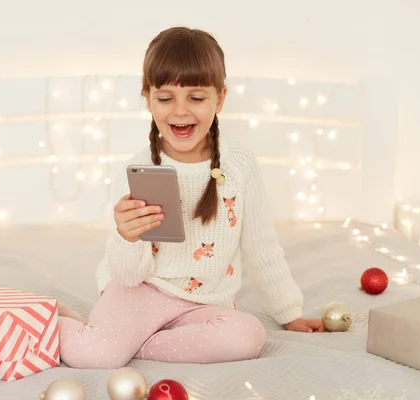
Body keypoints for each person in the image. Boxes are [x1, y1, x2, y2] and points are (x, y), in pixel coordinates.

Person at [58, 26, 324, 369]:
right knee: (92, 356)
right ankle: (59, 322)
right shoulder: (137, 169)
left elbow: (261, 247)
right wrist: (128, 237)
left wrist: (289, 313)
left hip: (205, 304)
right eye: (165, 98)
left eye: (196, 98)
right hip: (140, 293)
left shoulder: (240, 166)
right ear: (148, 98)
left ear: (220, 98)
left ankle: (134, 343)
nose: (180, 112)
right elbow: (126, 275)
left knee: (248, 336)